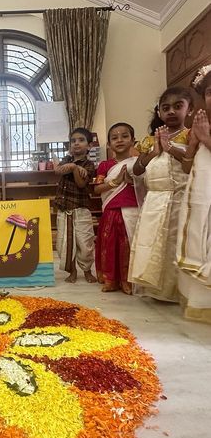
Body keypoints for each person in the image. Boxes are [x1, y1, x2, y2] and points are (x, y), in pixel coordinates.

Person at [129, 87, 193, 302]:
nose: (171, 112)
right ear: (159, 113)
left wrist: (170, 148)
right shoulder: (148, 141)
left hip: (179, 198)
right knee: (153, 243)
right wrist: (154, 152)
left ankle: (176, 292)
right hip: (154, 200)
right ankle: (155, 289)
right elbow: (137, 170)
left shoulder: (191, 135)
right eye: (166, 108)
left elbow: (192, 164)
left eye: (178, 106)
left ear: (189, 109)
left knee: (175, 242)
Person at [176, 65, 211, 323]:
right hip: (198, 193)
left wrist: (206, 139)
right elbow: (187, 166)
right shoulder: (199, 125)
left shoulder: (202, 128)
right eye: (209, 92)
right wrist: (193, 143)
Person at [94, 123, 140, 294]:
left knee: (129, 245)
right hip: (111, 210)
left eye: (124, 136)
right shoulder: (104, 166)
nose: (119, 140)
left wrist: (134, 180)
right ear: (108, 144)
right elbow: (97, 189)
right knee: (109, 244)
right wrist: (116, 181)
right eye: (114, 137)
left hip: (132, 209)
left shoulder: (138, 163)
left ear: (133, 140)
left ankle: (128, 281)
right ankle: (111, 279)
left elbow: (147, 184)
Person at [54, 127, 96, 283]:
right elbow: (58, 171)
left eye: (81, 140)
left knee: (85, 242)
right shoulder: (66, 160)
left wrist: (74, 169)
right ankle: (72, 271)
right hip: (64, 209)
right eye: (73, 141)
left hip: (81, 209)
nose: (76, 144)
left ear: (89, 146)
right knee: (65, 243)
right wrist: (72, 166)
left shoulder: (89, 165)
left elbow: (80, 184)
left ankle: (87, 270)